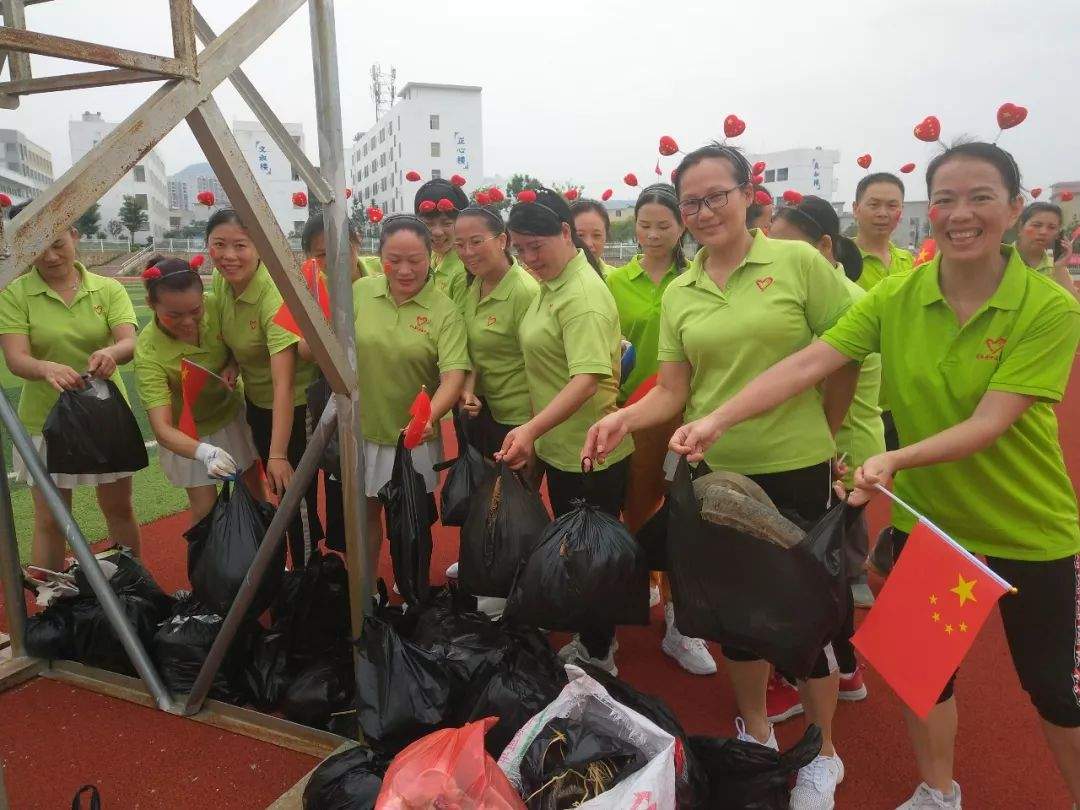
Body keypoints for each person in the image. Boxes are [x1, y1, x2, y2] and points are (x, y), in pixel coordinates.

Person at [655, 141, 1080, 809]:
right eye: (944, 199)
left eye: (980, 198)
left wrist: (892, 457)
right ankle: (938, 792)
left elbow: (992, 421)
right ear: (929, 209)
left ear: (1016, 207)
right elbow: (811, 362)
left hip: (1030, 527)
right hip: (930, 522)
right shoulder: (897, 296)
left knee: (1054, 690)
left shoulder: (1049, 307)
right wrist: (718, 420)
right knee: (922, 674)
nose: (958, 214)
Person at [582, 144, 859, 808]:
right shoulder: (683, 290)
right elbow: (674, 389)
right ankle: (758, 733)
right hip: (714, 473)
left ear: (748, 194)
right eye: (691, 202)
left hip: (795, 467)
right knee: (734, 615)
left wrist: (831, 430)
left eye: (716, 196)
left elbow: (847, 349)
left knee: (808, 618)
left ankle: (823, 755)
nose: (704, 212)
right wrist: (626, 418)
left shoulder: (797, 263)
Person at [499, 187, 632, 675]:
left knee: (591, 553)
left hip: (592, 449)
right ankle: (591, 636)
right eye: (520, 249)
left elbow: (588, 378)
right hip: (565, 446)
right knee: (576, 548)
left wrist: (530, 429)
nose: (530, 258)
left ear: (564, 232)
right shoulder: (554, 284)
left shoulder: (582, 295)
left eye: (538, 246)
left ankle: (600, 652)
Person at [767, 195, 885, 720]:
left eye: (786, 247)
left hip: (842, 455)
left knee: (813, 571)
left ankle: (816, 675)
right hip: (840, 452)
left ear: (822, 247)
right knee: (824, 566)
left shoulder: (843, 306)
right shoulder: (823, 296)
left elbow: (823, 383)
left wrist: (827, 449)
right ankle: (846, 667)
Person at [605, 183, 716, 676]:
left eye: (663, 226)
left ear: (681, 228)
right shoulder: (614, 282)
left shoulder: (697, 279)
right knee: (636, 507)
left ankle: (679, 622)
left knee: (686, 513)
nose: (652, 234)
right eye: (644, 224)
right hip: (634, 412)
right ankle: (633, 597)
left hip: (693, 412)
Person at [0, 206, 141, 573]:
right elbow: (17, 359)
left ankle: (133, 589)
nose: (49, 256)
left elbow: (129, 341)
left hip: (105, 416)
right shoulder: (15, 293)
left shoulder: (107, 289)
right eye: (36, 248)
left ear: (75, 236)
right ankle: (50, 604)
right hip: (45, 420)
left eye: (58, 243)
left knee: (119, 508)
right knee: (50, 518)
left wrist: (111, 353)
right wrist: (46, 368)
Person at [207, 209, 321, 569]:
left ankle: (304, 575)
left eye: (240, 245)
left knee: (293, 496)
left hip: (295, 406)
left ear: (259, 248)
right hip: (256, 402)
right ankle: (292, 565)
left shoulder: (274, 296)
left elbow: (284, 383)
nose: (229, 255)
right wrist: (231, 364)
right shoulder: (221, 281)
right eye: (219, 244)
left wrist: (278, 453)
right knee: (280, 493)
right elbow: (238, 340)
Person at [353, 214, 469, 561]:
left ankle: (411, 594)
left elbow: (452, 376)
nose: (405, 270)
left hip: (414, 435)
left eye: (415, 261)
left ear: (429, 256)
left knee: (411, 523)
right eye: (394, 261)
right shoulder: (360, 292)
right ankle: (368, 594)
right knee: (364, 516)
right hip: (364, 431)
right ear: (380, 256)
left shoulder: (445, 311)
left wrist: (428, 417)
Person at [134, 256, 261, 521]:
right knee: (207, 514)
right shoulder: (148, 352)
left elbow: (245, 344)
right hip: (188, 436)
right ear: (151, 305)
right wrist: (206, 453)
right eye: (174, 315)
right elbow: (163, 429)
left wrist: (233, 365)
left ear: (203, 298)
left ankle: (270, 560)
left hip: (230, 416)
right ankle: (211, 562)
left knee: (253, 495)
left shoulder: (216, 307)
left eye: (195, 310)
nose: (188, 322)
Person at [455, 205, 540, 460]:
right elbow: (472, 347)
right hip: (482, 409)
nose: (467, 252)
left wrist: (533, 433)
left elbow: (539, 363)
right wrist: (468, 388)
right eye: (459, 244)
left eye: (476, 242)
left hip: (517, 418)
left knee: (511, 497)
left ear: (502, 240)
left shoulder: (524, 292)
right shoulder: (475, 282)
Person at [853, 172, 915, 291]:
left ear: (902, 210)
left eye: (892, 206)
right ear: (856, 209)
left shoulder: (910, 262)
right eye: (874, 205)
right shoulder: (839, 259)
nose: (882, 214)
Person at [415, 178, 470, 309]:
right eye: (428, 224)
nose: (437, 232)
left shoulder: (466, 270)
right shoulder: (429, 257)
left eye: (447, 223)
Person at [1014, 202, 1079, 301]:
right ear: (1020, 227)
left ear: (1058, 235)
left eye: (1052, 227)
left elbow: (1075, 307)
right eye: (1037, 225)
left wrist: (1060, 268)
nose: (1043, 232)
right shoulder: (999, 258)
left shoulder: (1056, 268)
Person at [571, 199, 618, 276]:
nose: (588, 244)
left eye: (596, 235)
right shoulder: (548, 281)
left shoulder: (616, 279)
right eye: (580, 235)